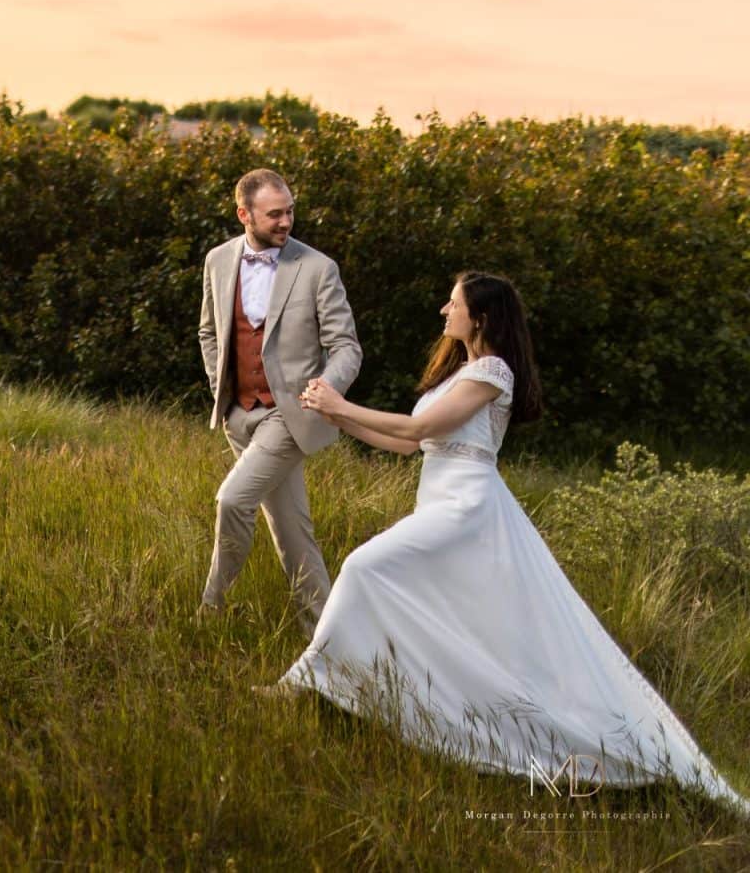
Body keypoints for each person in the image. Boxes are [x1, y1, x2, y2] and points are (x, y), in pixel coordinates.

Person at [276, 271, 750, 814]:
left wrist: (340, 405)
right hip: (440, 499)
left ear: (480, 317)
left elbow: (414, 430)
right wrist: (333, 416)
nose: (443, 310)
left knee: (363, 566)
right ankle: (375, 690)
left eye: (452, 303)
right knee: (451, 615)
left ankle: (310, 680)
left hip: (467, 508)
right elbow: (408, 443)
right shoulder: (461, 369)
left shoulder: (493, 370)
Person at [197, 168, 363, 631]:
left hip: (289, 417)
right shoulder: (217, 261)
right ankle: (329, 643)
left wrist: (324, 392)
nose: (286, 221)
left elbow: (347, 347)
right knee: (293, 533)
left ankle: (211, 608)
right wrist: (222, 393)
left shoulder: (317, 267)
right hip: (238, 416)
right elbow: (209, 331)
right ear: (243, 214)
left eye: (290, 210)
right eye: (275, 214)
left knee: (232, 500)